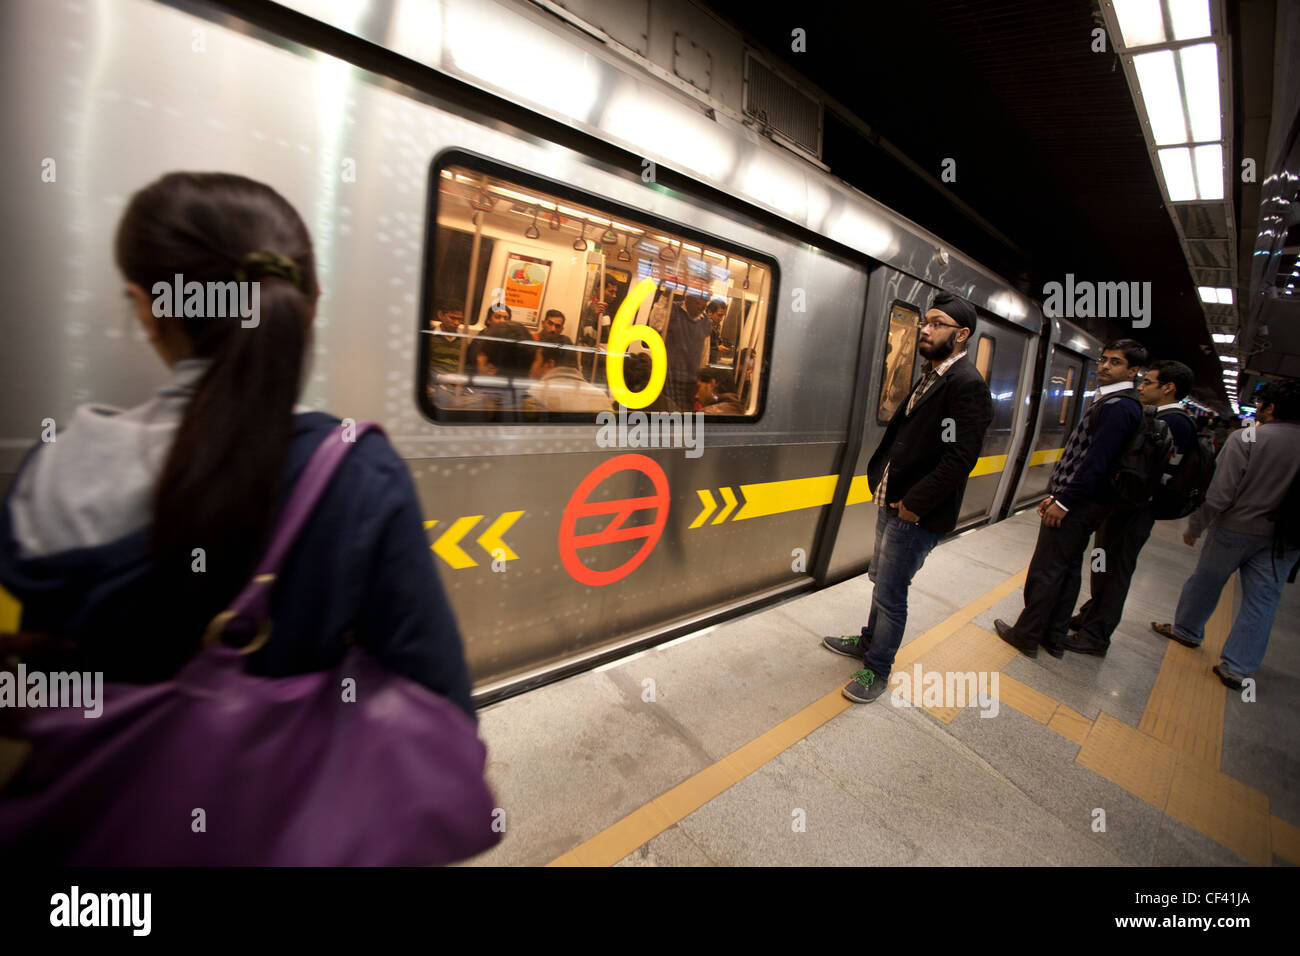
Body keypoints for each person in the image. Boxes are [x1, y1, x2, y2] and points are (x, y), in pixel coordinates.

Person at [0, 172, 474, 719]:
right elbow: (439, 702)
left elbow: (40, 699)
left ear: (146, 307)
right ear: (311, 304)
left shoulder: (53, 470)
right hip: (289, 797)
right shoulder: (356, 471)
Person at [822, 292, 993, 702]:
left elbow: (959, 458)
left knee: (892, 593)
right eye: (926, 323)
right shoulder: (932, 375)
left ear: (962, 334)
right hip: (893, 499)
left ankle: (877, 670)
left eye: (937, 324)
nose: (926, 329)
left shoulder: (966, 385)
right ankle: (868, 640)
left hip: (915, 512)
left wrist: (915, 504)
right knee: (881, 582)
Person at [995, 339, 1147, 659]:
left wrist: (1063, 502)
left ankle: (1026, 634)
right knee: (1067, 567)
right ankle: (1053, 634)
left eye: (1115, 362)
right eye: (1104, 359)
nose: (1105, 366)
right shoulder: (1120, 403)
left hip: (1079, 504)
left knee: (1047, 568)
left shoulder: (1118, 407)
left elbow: (1096, 462)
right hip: (1086, 503)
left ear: (1133, 371)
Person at [1151, 378, 1300, 689]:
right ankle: (1237, 667)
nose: (1257, 410)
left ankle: (1187, 630)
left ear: (1271, 408)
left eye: (1261, 404)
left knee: (1206, 581)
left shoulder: (1247, 438)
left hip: (1235, 528)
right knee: (1263, 601)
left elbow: (1219, 494)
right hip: (1286, 540)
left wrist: (1195, 526)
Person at [1063, 359, 1197, 655]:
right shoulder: (1162, 417)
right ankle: (1090, 614)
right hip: (1127, 506)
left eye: (1148, 382)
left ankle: (1096, 635)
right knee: (1103, 563)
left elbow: (1149, 473)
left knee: (1114, 570)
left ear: (1168, 388)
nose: (1141, 387)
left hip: (1133, 509)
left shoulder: (1173, 422)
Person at [527, 332, 613, 413]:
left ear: (550, 364)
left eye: (535, 360)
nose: (531, 368)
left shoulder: (533, 397)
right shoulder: (601, 397)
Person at [662, 289, 712, 412]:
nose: (702, 307)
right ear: (688, 299)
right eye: (699, 303)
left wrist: (701, 376)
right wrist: (665, 296)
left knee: (685, 415)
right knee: (666, 412)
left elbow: (704, 352)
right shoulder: (673, 310)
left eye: (705, 303)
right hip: (669, 376)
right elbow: (656, 323)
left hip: (691, 380)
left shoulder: (706, 321)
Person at [467, 302, 512, 375]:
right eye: (497, 317)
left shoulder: (507, 340)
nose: (502, 321)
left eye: (506, 318)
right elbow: (476, 364)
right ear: (488, 320)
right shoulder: (481, 340)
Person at [427, 299, 466, 376]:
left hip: (455, 380)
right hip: (434, 379)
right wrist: (437, 377)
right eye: (452, 318)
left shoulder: (462, 340)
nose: (457, 323)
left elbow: (466, 365)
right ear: (440, 315)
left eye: (460, 319)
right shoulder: (430, 336)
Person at [705, 297, 732, 363]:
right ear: (710, 312)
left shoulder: (716, 326)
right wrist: (717, 348)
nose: (721, 319)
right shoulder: (703, 325)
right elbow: (699, 349)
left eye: (723, 316)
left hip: (711, 360)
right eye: (719, 315)